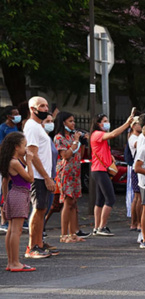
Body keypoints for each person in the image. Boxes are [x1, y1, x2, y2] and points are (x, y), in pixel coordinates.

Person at [90, 110, 137, 236]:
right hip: (99, 170)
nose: (107, 123)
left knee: (100, 200)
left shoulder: (99, 135)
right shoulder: (97, 134)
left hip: (100, 169)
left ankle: (97, 227)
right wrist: (127, 124)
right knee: (110, 198)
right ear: (98, 124)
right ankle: (102, 227)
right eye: (105, 121)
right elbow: (113, 134)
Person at [22, 97, 58, 258]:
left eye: (46, 105)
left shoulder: (38, 126)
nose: (45, 108)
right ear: (32, 108)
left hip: (43, 176)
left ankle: (39, 244)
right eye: (41, 106)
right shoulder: (32, 127)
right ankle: (32, 247)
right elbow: (32, 155)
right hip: (38, 177)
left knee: (42, 210)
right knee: (37, 210)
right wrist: (46, 177)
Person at [2, 132, 38, 270]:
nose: (26, 148)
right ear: (17, 147)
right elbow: (30, 178)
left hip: (13, 194)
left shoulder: (11, 160)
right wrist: (29, 160)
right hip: (20, 194)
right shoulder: (15, 162)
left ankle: (11, 262)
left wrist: (5, 200)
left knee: (11, 229)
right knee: (16, 231)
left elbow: (5, 182)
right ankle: (15, 262)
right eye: (24, 145)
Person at [53, 112, 85, 243]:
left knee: (73, 203)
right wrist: (76, 142)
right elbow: (65, 155)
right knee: (67, 202)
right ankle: (63, 234)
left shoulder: (72, 137)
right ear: (63, 123)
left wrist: (81, 142)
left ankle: (73, 233)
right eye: (70, 121)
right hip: (65, 171)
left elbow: (80, 155)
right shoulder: (59, 137)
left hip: (75, 171)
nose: (74, 123)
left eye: (74, 121)